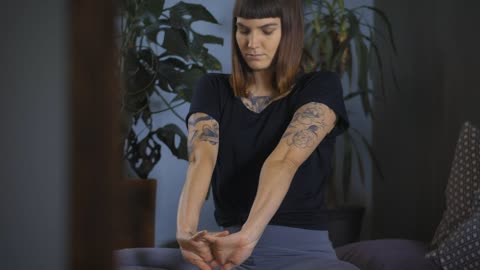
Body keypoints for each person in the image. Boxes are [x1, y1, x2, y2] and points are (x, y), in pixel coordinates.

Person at [176, 0, 358, 269]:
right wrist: (186, 233)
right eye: (244, 30)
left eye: (267, 30)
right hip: (227, 253)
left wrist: (248, 238)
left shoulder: (320, 86)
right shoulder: (212, 88)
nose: (252, 43)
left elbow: (284, 161)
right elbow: (201, 158)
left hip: (302, 254)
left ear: (290, 32)